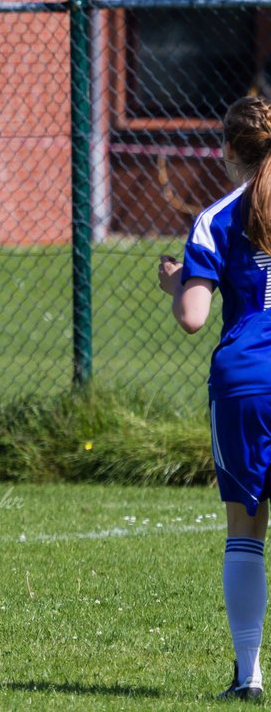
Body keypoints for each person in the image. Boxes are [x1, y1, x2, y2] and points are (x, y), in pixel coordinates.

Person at [158, 94, 271, 700]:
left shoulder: (216, 217)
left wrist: (179, 282)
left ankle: (248, 677)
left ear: (228, 151)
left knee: (246, 529)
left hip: (248, 380)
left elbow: (194, 318)